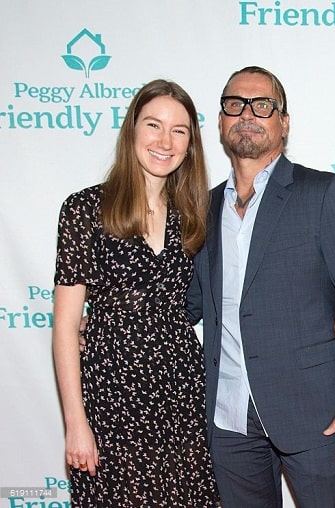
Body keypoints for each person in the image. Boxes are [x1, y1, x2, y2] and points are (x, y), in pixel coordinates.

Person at [184, 66, 335, 507]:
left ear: (284, 121)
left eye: (262, 105)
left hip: (315, 415)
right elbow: (191, 304)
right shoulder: (205, 206)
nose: (247, 114)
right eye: (234, 104)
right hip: (229, 417)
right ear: (220, 120)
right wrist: (111, 320)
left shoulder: (322, 193)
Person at [52, 79, 219, 506]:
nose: (165, 141)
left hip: (181, 391)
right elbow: (66, 326)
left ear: (190, 144)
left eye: (179, 130)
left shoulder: (194, 216)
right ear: (132, 131)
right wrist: (76, 423)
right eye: (154, 125)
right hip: (111, 394)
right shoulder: (85, 209)